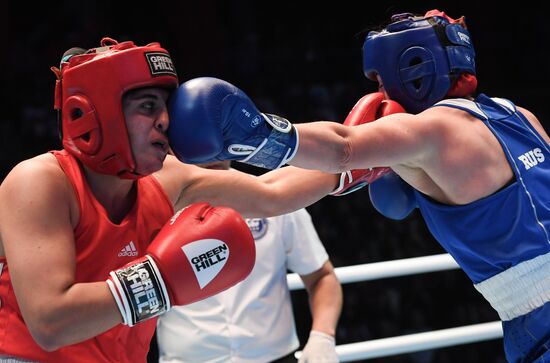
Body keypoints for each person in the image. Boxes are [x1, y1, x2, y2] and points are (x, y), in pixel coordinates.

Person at [166, 10, 550, 363]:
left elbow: (343, 148)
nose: (381, 93)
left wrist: (257, 134)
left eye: (381, 81)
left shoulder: (427, 130)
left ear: (411, 69)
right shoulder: (517, 114)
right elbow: (277, 192)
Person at [0, 37, 343, 363]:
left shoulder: (166, 180)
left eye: (164, 107)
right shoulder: (41, 181)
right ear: (95, 111)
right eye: (148, 106)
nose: (165, 120)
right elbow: (50, 323)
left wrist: (360, 164)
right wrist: (162, 279)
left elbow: (274, 193)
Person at [155, 160, 342, 363]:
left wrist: (322, 337)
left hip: (276, 357)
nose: (211, 151)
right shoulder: (153, 205)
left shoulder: (275, 195)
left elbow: (321, 276)